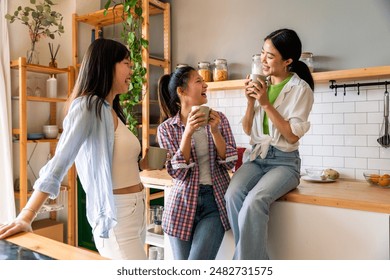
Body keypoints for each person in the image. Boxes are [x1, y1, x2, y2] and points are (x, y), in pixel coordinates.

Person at [0, 38, 149, 260]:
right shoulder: (88, 107)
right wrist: (26, 216)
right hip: (117, 215)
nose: (132, 69)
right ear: (107, 65)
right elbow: (58, 163)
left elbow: (118, 166)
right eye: (127, 63)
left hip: (137, 209)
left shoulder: (112, 111)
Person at [225, 28, 315, 260]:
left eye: (270, 56)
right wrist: (249, 102)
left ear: (288, 61)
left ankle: (245, 267)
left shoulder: (300, 90)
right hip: (257, 158)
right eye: (262, 53)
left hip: (284, 163)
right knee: (232, 195)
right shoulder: (260, 84)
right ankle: (254, 262)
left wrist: (266, 104)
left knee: (255, 201)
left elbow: (292, 136)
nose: (262, 60)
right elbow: (247, 130)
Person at [157, 66, 237, 260]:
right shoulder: (166, 129)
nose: (205, 85)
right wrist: (188, 132)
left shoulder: (220, 120)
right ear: (181, 91)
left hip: (215, 202)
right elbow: (178, 173)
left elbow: (230, 162)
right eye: (199, 81)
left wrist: (216, 132)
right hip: (181, 205)